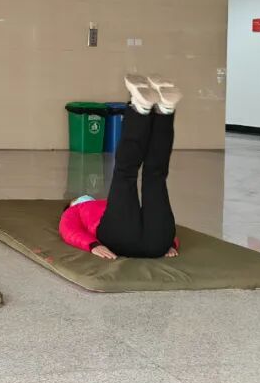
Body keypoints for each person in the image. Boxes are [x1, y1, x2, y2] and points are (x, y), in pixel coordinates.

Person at [59, 74, 182, 260]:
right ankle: (142, 109)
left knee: (155, 176)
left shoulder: (107, 205)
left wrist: (169, 242)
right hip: (124, 239)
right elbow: (67, 230)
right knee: (129, 174)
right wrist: (92, 245)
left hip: (154, 244)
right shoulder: (74, 210)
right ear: (71, 204)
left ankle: (164, 109)